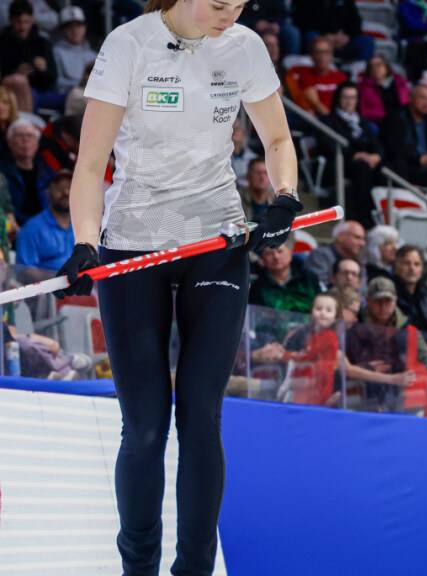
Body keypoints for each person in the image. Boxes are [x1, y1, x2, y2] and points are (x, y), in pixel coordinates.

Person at [54, 0, 300, 574]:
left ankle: (193, 570)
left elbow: (279, 141)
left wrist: (284, 197)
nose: (229, 14)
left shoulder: (243, 47)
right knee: (144, 427)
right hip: (133, 245)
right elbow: (90, 166)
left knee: (199, 414)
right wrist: (86, 243)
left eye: (239, 4)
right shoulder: (129, 44)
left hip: (216, 241)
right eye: (218, 3)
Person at [346, 276, 427, 412]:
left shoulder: (408, 330)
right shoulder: (355, 326)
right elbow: (344, 365)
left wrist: (414, 374)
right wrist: (365, 368)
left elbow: (426, 361)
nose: (383, 307)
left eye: (388, 301)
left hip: (402, 389)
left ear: (395, 301)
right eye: (377, 302)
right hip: (364, 388)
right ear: (367, 301)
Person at [319, 82, 383, 229]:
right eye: (346, 97)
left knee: (386, 167)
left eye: (353, 97)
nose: (349, 101)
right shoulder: (328, 121)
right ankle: (363, 218)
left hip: (365, 164)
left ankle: (381, 215)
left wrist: (377, 156)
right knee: (362, 168)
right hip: (340, 163)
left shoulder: (363, 122)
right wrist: (355, 155)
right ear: (338, 99)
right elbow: (327, 145)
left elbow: (376, 144)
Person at [0, 0, 56, 112]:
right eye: (18, 22)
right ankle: (25, 126)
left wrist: (43, 70)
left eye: (26, 22)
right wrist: (17, 72)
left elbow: (53, 77)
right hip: (11, 89)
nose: (22, 27)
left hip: (40, 90)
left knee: (73, 97)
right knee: (20, 81)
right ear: (11, 20)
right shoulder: (3, 42)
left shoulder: (42, 42)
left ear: (32, 20)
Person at [15, 167, 71, 272]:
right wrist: (61, 281)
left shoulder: (84, 226)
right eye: (59, 188)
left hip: (85, 286)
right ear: (48, 191)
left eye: (70, 187)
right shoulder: (31, 228)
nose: (66, 192)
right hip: (47, 287)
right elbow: (25, 271)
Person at [0, 118, 52, 226]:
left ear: (37, 143)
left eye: (30, 136)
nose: (25, 140)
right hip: (15, 227)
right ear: (9, 142)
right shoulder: (2, 172)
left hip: (46, 228)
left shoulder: (48, 173)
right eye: (20, 135)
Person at [250, 240, 325, 313]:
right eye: (269, 253)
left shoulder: (309, 278)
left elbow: (321, 304)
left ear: (290, 252)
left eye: (280, 251)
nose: (276, 257)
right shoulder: (256, 286)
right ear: (262, 259)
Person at [394, 245, 427, 334]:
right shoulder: (390, 295)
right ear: (396, 266)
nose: (412, 269)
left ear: (422, 269)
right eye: (406, 263)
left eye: (417, 264)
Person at [295, 36, 347, 116]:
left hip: (340, 119)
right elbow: (315, 104)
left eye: (326, 52)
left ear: (331, 55)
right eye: (318, 52)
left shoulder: (341, 77)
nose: (322, 56)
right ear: (312, 55)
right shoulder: (305, 76)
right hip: (320, 121)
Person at [304, 220, 366, 286]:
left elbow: (362, 292)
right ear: (341, 237)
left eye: (363, 239)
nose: (363, 243)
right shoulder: (320, 255)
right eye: (357, 237)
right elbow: (318, 286)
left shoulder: (359, 263)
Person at [52, 6, 95, 95]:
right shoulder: (56, 52)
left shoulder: (93, 55)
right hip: (68, 95)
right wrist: (81, 82)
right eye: (69, 27)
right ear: (62, 30)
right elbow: (56, 82)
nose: (75, 30)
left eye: (78, 25)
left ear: (84, 28)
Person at [357, 55, 410, 127]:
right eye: (371, 66)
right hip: (378, 122)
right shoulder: (363, 87)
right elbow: (363, 111)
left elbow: (407, 104)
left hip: (402, 120)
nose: (375, 68)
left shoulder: (400, 82)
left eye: (378, 65)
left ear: (386, 66)